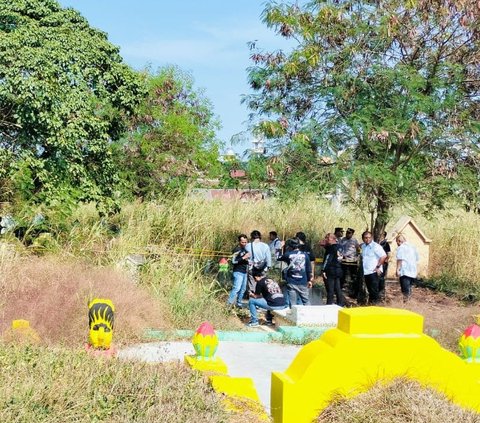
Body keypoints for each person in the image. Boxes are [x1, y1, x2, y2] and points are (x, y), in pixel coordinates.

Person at [278, 237, 312, 306]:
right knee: (306, 301)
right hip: (303, 281)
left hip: (291, 281)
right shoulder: (305, 255)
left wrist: (280, 248)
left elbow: (278, 257)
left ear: (290, 246)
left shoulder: (288, 254)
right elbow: (308, 269)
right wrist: (309, 280)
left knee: (293, 304)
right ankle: (309, 314)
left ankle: (294, 315)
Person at [360, 231, 387, 305]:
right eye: (365, 238)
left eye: (369, 237)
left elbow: (384, 256)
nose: (367, 239)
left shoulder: (376, 246)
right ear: (363, 238)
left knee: (374, 290)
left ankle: (375, 306)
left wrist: (378, 267)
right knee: (369, 290)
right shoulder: (363, 246)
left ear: (371, 238)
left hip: (374, 272)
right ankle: (371, 305)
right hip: (366, 272)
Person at [227, 234, 250, 308]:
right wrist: (244, 258)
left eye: (246, 242)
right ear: (239, 242)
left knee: (243, 289)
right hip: (238, 272)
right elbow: (233, 261)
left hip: (245, 272)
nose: (244, 243)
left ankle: (239, 303)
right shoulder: (236, 250)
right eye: (243, 242)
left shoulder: (246, 250)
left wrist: (248, 260)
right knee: (237, 288)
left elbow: (246, 260)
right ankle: (229, 303)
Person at [322, 233, 345, 306]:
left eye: (327, 238)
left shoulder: (331, 248)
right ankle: (340, 303)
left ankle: (329, 304)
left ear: (332, 239)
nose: (326, 240)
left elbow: (328, 259)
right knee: (338, 287)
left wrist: (323, 270)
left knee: (330, 289)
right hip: (338, 269)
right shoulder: (340, 247)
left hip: (331, 269)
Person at [395, 234, 419, 302]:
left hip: (405, 271)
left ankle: (406, 304)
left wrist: (397, 269)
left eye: (397, 242)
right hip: (413, 271)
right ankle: (409, 302)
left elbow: (400, 259)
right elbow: (417, 259)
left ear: (399, 241)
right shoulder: (413, 247)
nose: (397, 244)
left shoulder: (401, 248)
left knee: (405, 290)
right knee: (409, 288)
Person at [339, 228, 360, 296]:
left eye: (349, 233)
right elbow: (340, 248)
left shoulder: (354, 240)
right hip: (344, 261)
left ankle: (353, 290)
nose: (347, 234)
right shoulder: (343, 240)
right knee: (342, 275)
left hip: (352, 261)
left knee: (353, 275)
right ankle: (340, 288)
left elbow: (358, 249)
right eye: (347, 233)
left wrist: (357, 257)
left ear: (352, 234)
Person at [378, 231, 391, 300]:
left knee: (381, 277)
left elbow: (388, 254)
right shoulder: (377, 242)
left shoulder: (385, 244)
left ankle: (381, 293)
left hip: (383, 263)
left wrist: (385, 260)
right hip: (377, 263)